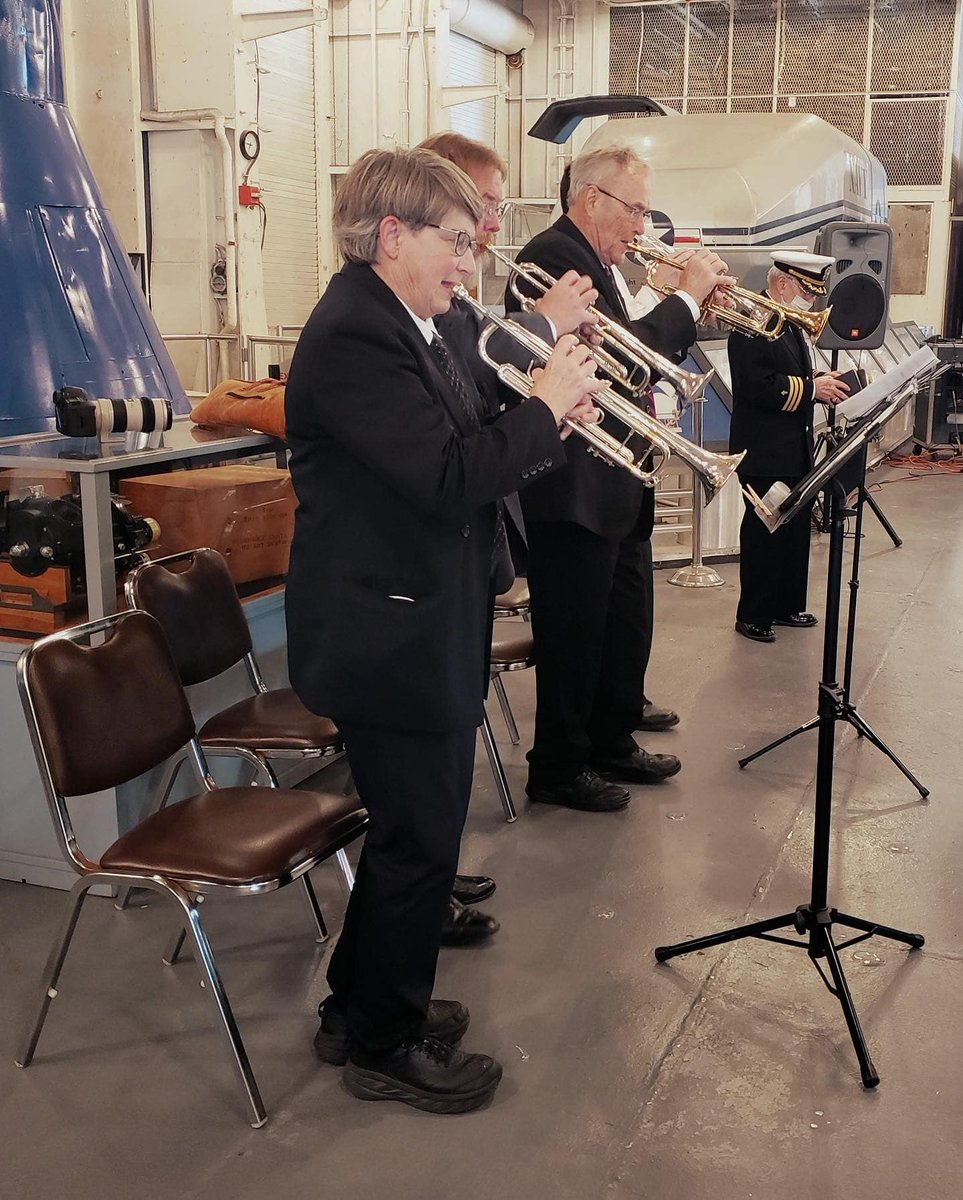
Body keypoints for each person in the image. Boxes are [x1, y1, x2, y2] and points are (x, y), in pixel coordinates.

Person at [284, 147, 600, 1112]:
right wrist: (543, 412)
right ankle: (385, 1042)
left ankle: (356, 1006)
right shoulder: (356, 336)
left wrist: (546, 417)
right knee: (421, 840)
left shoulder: (409, 322)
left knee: (410, 837)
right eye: (456, 242)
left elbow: (463, 441)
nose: (470, 263)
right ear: (392, 236)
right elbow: (447, 479)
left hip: (419, 619)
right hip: (388, 636)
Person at [505, 145, 735, 813]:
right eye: (634, 210)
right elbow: (623, 365)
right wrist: (685, 300)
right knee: (574, 636)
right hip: (572, 487)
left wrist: (685, 306)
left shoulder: (599, 263)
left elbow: (637, 346)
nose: (641, 227)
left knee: (622, 624)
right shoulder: (553, 257)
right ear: (591, 200)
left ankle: (609, 738)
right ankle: (558, 766)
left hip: (616, 480)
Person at [416, 132, 600, 944]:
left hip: (454, 573)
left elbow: (477, 407)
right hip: (411, 591)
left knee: (438, 776)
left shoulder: (433, 309)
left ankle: (431, 876)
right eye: (473, 219)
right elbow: (451, 458)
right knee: (419, 784)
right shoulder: (376, 325)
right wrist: (541, 358)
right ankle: (417, 896)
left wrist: (550, 411)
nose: (485, 235)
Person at [728, 251, 850, 643]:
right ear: (782, 283)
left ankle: (785, 605)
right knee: (764, 532)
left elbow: (790, 369)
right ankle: (753, 614)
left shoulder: (789, 323)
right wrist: (814, 389)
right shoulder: (753, 322)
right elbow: (757, 385)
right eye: (806, 291)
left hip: (791, 445)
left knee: (793, 529)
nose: (811, 302)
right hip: (763, 448)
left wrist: (817, 377)